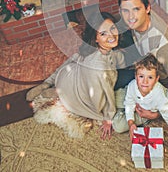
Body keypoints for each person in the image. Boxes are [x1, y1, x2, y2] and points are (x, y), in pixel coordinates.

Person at [26, 11, 126, 140]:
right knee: (127, 89)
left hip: (66, 78)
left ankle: (49, 84)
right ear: (96, 38)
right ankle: (58, 93)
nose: (111, 35)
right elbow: (104, 95)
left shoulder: (90, 48)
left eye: (112, 28)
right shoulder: (100, 68)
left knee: (74, 61)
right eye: (103, 33)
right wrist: (107, 117)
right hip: (81, 98)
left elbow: (72, 60)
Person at [116, 0, 168, 118]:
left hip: (157, 80)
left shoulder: (165, 47)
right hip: (144, 59)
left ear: (147, 8)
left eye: (136, 9)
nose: (130, 17)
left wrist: (156, 114)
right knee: (108, 73)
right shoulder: (139, 21)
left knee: (117, 95)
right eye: (125, 11)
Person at [113, 54, 168, 152]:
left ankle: (141, 119)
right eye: (141, 76)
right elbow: (129, 103)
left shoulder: (160, 97)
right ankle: (119, 110)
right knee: (110, 100)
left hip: (147, 111)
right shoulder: (133, 85)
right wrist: (131, 122)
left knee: (118, 126)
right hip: (134, 98)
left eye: (150, 77)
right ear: (136, 77)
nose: (145, 81)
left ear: (157, 79)